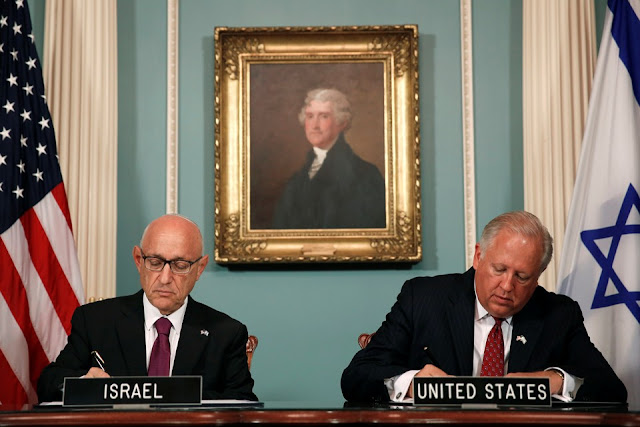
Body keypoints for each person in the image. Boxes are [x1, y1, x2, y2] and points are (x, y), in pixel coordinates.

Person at [341, 211, 627, 403]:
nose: (507, 285)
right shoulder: (424, 299)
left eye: (522, 277)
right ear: (478, 257)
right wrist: (413, 382)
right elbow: (356, 377)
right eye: (499, 269)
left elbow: (611, 389)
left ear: (538, 276)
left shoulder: (558, 314)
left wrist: (556, 381)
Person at [37, 214, 257, 402]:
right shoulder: (95, 321)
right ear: (138, 260)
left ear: (199, 268)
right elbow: (49, 383)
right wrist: (83, 383)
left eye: (180, 265)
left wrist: (177, 396)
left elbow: (242, 402)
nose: (165, 278)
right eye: (155, 262)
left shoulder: (225, 332)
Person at [272, 88, 386, 229]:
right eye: (310, 116)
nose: (314, 125)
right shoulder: (296, 180)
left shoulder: (366, 175)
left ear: (342, 123)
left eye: (324, 116)